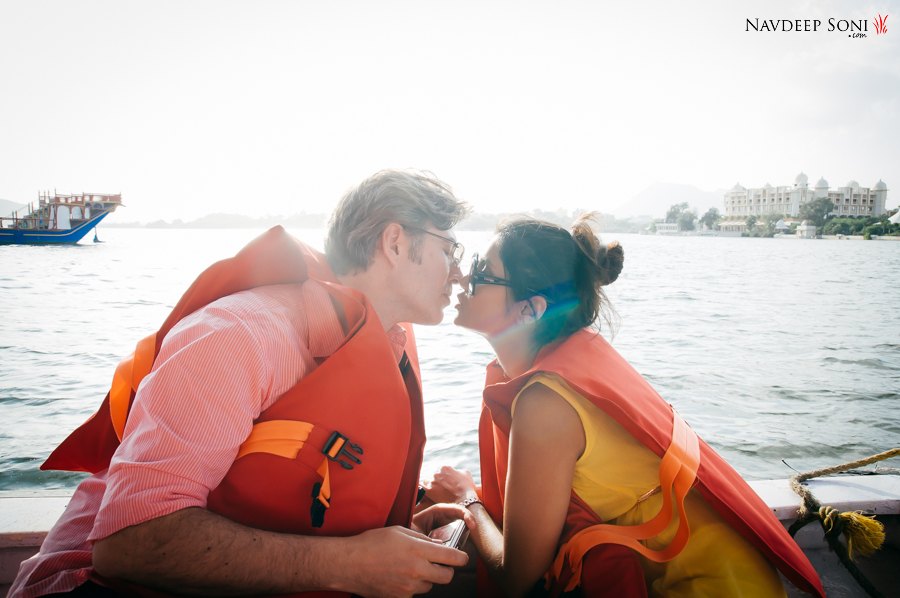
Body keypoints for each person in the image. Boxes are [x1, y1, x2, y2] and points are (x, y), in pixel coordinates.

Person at [11, 170, 475, 598]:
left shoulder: (384, 341)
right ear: (394, 242)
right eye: (449, 250)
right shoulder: (239, 336)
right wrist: (351, 562)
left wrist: (398, 530)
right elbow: (128, 542)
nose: (458, 272)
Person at [428, 215, 825, 597]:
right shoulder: (573, 364)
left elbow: (516, 578)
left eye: (481, 269)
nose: (463, 277)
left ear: (530, 309)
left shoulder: (545, 403)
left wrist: (468, 500)